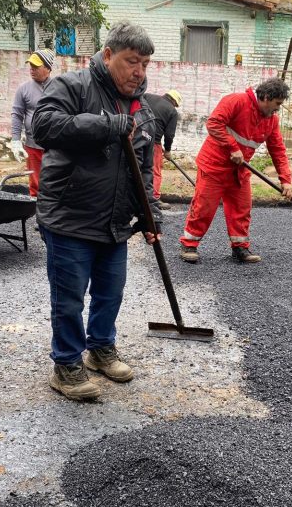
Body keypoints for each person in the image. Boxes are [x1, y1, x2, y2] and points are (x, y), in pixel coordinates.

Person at [31, 21, 162, 401]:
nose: (138, 72)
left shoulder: (143, 108)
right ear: (108, 56)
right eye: (131, 61)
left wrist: (149, 216)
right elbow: (45, 126)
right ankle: (66, 365)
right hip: (69, 217)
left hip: (114, 223)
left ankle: (100, 349)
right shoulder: (73, 86)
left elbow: (143, 169)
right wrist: (109, 125)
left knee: (111, 293)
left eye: (145, 64)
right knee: (69, 297)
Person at [179, 77, 292, 265]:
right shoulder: (236, 101)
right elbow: (214, 123)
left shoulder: (271, 121)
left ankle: (239, 247)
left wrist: (286, 180)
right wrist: (232, 147)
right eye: (277, 103)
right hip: (214, 166)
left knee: (242, 208)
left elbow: (278, 149)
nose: (277, 108)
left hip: (239, 171)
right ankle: (189, 244)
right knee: (204, 207)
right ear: (265, 97)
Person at [10, 48, 55, 198]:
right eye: (31, 66)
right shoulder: (24, 89)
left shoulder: (59, 88)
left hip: (55, 146)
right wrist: (15, 140)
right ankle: (36, 212)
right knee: (35, 184)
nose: (32, 69)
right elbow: (17, 115)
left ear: (48, 68)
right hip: (33, 146)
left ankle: (54, 212)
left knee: (55, 182)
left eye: (36, 66)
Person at [145, 90, 182, 209]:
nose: (174, 107)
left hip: (137, 137)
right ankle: (154, 199)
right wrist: (167, 150)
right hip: (153, 143)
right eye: (175, 105)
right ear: (174, 102)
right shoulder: (172, 111)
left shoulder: (147, 96)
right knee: (154, 171)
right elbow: (169, 134)